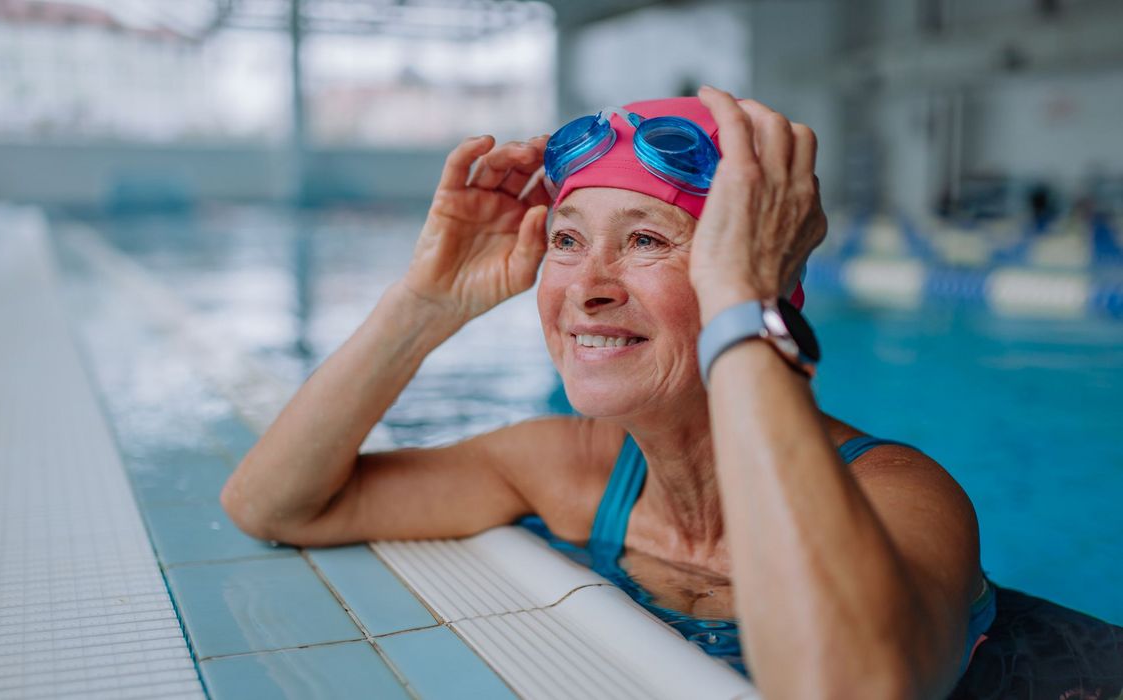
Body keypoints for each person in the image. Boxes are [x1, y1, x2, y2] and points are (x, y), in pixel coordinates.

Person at [217, 88, 1101, 698]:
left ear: (752, 281)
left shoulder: (901, 497)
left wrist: (740, 305)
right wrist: (425, 304)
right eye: (567, 241)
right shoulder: (563, 468)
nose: (588, 287)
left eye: (646, 241)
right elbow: (275, 505)